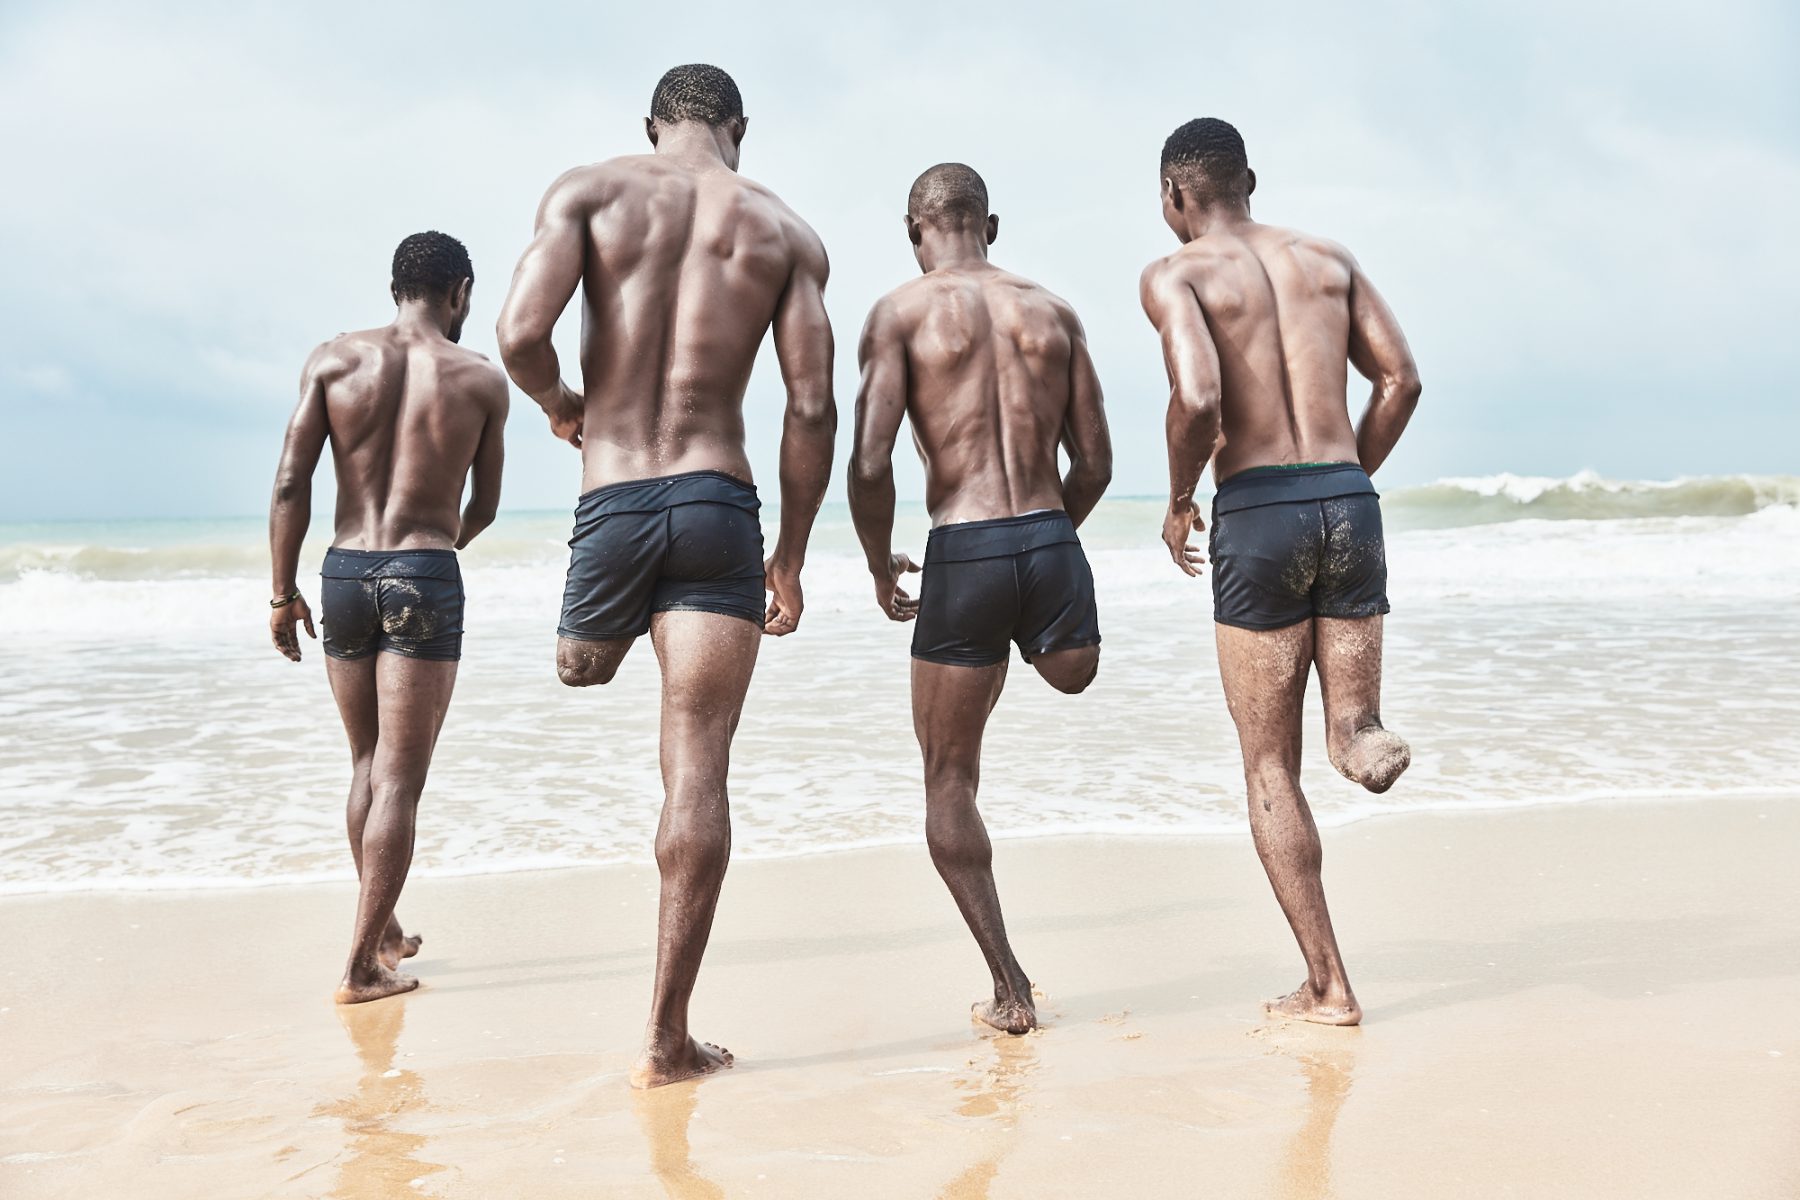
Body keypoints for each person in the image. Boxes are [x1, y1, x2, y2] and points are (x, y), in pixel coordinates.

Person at [495, 64, 836, 1087]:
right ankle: (664, 1038)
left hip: (614, 500)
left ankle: (592, 631)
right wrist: (792, 555)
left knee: (581, 668)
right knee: (697, 763)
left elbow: (517, 335)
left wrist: (564, 405)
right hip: (718, 506)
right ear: (739, 129)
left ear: (652, 126)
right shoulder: (786, 232)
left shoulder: (588, 192)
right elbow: (812, 409)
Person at [1140, 118, 1422, 1026]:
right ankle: (1360, 734)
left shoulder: (1176, 272)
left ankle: (1328, 986)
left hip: (1258, 511)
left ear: (1174, 199)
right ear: (1248, 179)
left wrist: (1182, 496)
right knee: (1345, 725)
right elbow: (1401, 381)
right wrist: (1346, 483)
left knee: (1269, 765)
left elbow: (1199, 396)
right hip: (1348, 501)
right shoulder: (1329, 258)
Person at [849, 163, 1112, 1034]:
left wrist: (882, 567)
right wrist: (1045, 548)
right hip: (1050, 543)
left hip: (962, 546)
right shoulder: (1054, 312)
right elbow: (1097, 466)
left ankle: (1010, 990)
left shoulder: (899, 314)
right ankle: (1036, 642)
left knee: (947, 778)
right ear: (989, 225)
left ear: (913, 230)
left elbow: (871, 463)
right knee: (1067, 674)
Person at [268, 231, 509, 1005]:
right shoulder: (479, 379)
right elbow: (487, 507)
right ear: (460, 291)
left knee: (367, 765)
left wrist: (282, 593)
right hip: (424, 572)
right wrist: (435, 549)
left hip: (341, 573)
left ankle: (384, 928)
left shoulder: (333, 360)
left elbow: (289, 482)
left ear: (395, 288)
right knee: (400, 781)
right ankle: (361, 966)